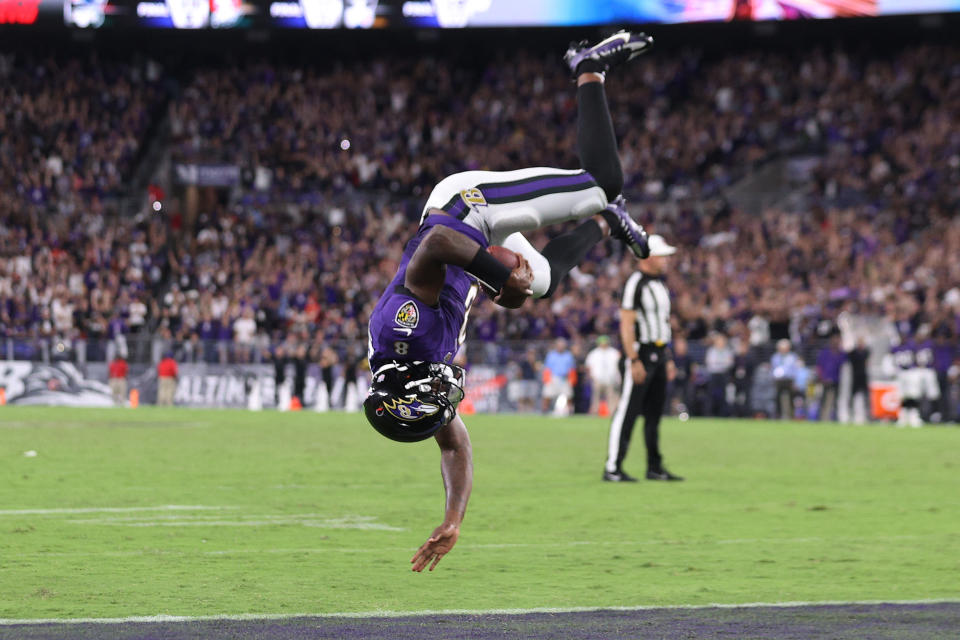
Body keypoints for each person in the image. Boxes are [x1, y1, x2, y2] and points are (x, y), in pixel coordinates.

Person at [362, 31, 654, 572]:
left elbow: (439, 243)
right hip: (475, 253)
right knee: (540, 283)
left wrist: (497, 275)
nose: (446, 400)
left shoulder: (405, 326)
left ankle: (589, 68)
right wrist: (453, 519)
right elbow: (452, 446)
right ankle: (607, 224)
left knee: (602, 180)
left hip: (467, 210)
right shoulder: (412, 376)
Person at [604, 234, 683, 483]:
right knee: (628, 411)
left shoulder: (660, 284)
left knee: (654, 414)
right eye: (663, 255)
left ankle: (654, 467)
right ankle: (613, 467)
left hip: (658, 353)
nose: (667, 260)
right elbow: (626, 325)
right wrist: (633, 359)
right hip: (641, 352)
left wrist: (667, 357)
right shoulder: (635, 283)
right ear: (648, 257)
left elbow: (662, 324)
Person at [584, 335, 621, 415]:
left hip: (611, 379)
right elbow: (588, 366)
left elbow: (619, 366)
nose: (603, 345)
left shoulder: (614, 353)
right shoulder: (593, 353)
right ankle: (594, 413)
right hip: (597, 379)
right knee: (595, 398)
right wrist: (591, 377)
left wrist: (618, 378)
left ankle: (612, 414)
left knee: (612, 398)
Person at [542, 338, 576, 415]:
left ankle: (570, 410)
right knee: (547, 394)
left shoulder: (568, 355)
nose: (561, 347)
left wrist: (572, 379)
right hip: (553, 377)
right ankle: (545, 409)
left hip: (565, 378)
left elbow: (572, 368)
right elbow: (547, 368)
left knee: (568, 395)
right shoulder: (551, 355)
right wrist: (547, 379)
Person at [771, 339, 800, 419]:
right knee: (777, 399)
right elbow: (773, 369)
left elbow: (796, 370)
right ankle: (778, 415)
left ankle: (791, 415)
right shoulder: (775, 357)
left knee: (791, 399)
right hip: (778, 381)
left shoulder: (793, 357)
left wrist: (796, 381)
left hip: (789, 380)